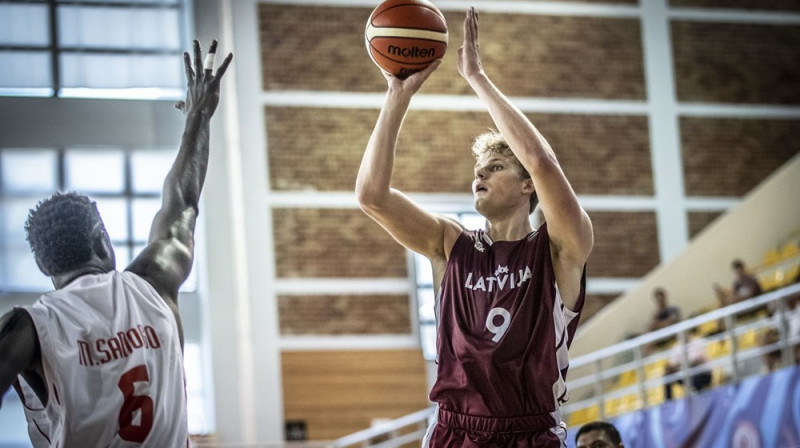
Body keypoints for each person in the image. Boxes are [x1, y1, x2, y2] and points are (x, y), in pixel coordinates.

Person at [356, 7, 593, 448]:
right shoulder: (450, 244)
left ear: (527, 186)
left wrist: (477, 78)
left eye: (495, 166)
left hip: (530, 430)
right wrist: (397, 95)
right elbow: (371, 195)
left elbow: (542, 161)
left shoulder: (560, 247)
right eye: (477, 170)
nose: (478, 176)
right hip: (455, 431)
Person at [0, 40, 232, 447]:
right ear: (102, 241)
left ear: (44, 269)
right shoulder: (154, 281)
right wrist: (199, 115)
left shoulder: (29, 326)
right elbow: (183, 203)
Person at [662, 327, 711, 400]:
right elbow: (673, 365)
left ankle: (700, 397)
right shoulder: (676, 347)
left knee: (694, 369)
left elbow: (698, 360)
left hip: (702, 374)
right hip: (684, 374)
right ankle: (668, 402)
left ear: (689, 332)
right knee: (667, 375)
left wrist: (682, 363)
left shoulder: (698, 342)